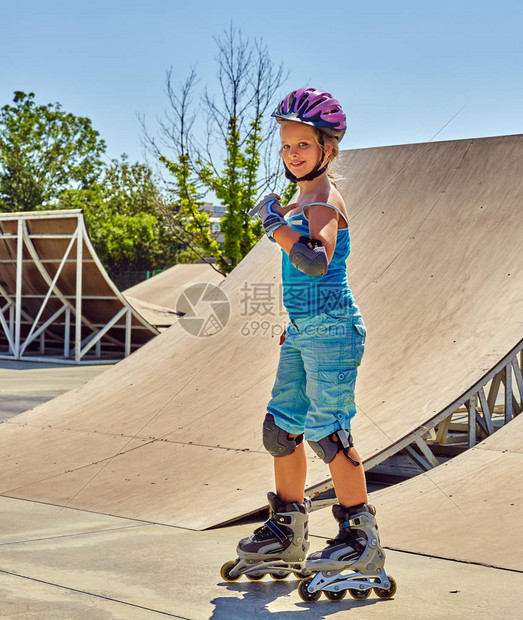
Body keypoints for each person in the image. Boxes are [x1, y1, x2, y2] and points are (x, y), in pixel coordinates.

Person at [222, 88, 394, 600]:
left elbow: (316, 259)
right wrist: (293, 323)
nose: (292, 154)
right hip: (304, 330)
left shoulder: (323, 201)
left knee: (328, 432)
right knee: (282, 428)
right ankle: (288, 529)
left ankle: (359, 539)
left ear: (328, 149)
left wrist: (275, 225)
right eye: (286, 146)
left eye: (302, 145)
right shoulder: (299, 199)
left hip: (335, 329)